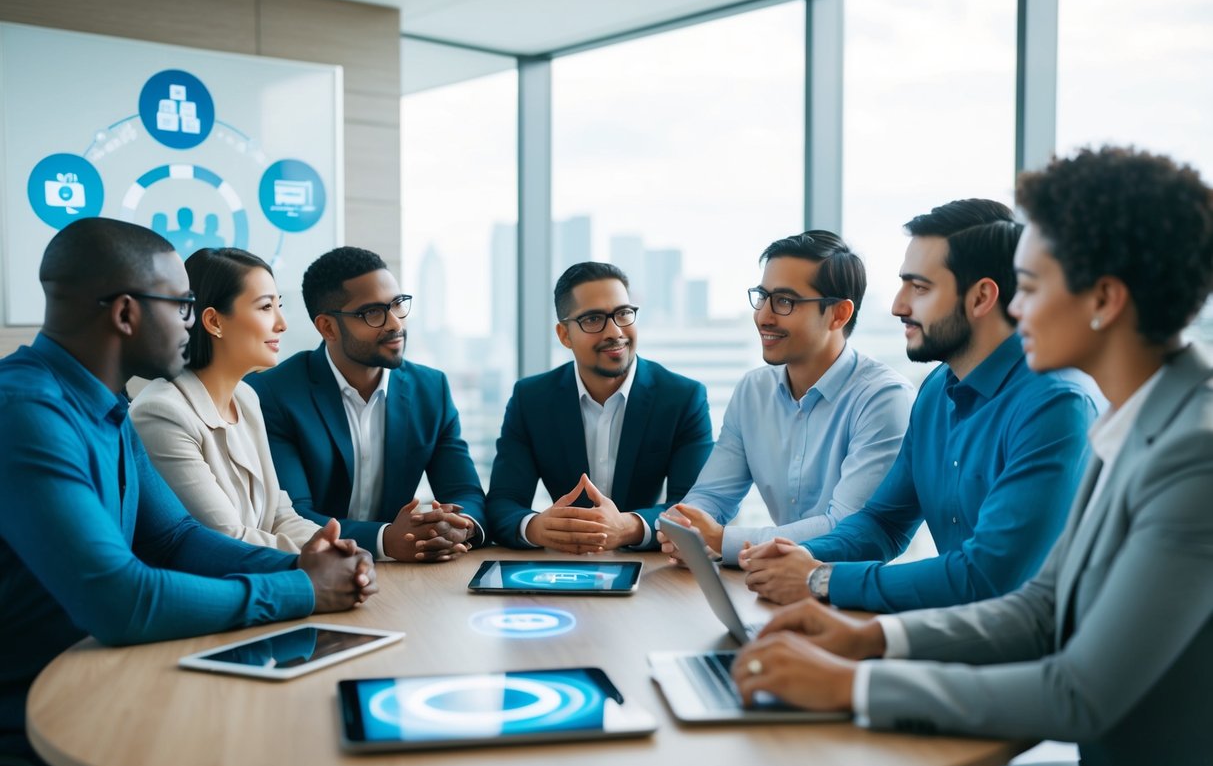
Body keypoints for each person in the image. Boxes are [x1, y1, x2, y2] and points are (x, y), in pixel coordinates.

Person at [731, 146, 1213, 766]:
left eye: (1032, 289)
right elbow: (1040, 609)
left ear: (1103, 299)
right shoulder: (1136, 418)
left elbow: (1078, 694)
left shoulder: (1192, 452)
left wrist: (853, 681)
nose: (1018, 311)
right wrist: (868, 638)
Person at [0, 218, 375, 766]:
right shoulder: (26, 412)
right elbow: (119, 599)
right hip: (32, 726)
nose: (189, 323)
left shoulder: (107, 406)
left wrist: (304, 564)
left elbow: (173, 538)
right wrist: (301, 588)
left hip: (103, 680)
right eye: (179, 306)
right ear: (126, 314)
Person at [740, 200, 1098, 612]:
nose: (898, 305)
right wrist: (792, 557)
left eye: (920, 287)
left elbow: (988, 577)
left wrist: (821, 578)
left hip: (1032, 658)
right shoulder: (935, 391)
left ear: (982, 297)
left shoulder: (1056, 406)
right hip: (960, 636)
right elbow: (883, 523)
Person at [657, 231, 913, 565]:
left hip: (851, 593)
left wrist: (722, 540)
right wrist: (687, 528)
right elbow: (711, 496)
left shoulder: (884, 398)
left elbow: (847, 527)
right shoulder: (753, 391)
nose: (764, 316)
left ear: (838, 314)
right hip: (775, 581)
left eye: (785, 302)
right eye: (762, 297)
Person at [247, 247, 484, 562]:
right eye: (373, 312)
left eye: (398, 305)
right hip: (313, 570)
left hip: (405, 578)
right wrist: (385, 539)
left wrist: (458, 526)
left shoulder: (431, 389)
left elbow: (466, 493)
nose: (394, 324)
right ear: (328, 327)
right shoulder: (272, 393)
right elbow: (294, 515)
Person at [485, 262, 713, 552]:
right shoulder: (530, 399)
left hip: (651, 572)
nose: (615, 331)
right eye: (593, 319)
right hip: (564, 568)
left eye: (623, 313)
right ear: (564, 335)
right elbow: (503, 502)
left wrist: (630, 527)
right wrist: (536, 527)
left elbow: (695, 506)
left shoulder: (682, 398)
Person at [130, 248, 322, 551]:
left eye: (279, 305)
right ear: (214, 321)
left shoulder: (246, 398)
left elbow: (279, 515)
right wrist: (320, 558)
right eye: (265, 307)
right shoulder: (162, 412)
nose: (281, 323)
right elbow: (226, 539)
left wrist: (336, 546)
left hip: (266, 579)